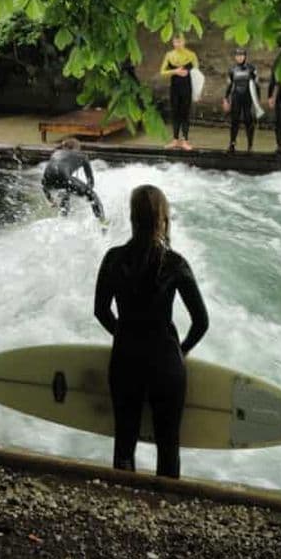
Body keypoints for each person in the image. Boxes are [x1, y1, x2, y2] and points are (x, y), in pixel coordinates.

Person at [94, 185, 209, 478]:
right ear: (163, 219)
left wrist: (123, 334)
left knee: (124, 443)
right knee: (168, 444)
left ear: (132, 218)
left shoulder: (113, 258)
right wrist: (180, 351)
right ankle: (166, 508)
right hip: (165, 363)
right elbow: (201, 322)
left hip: (126, 359)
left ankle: (125, 502)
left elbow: (101, 311)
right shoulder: (174, 262)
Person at [42, 138, 105, 219]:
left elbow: (44, 182)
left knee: (66, 189)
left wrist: (50, 199)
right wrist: (87, 194)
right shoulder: (82, 156)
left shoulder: (56, 153)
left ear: (64, 148)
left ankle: (63, 217)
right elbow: (90, 181)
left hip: (47, 181)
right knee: (93, 196)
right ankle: (103, 224)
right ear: (76, 148)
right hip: (64, 177)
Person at [160, 35, 199, 151]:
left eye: (180, 41)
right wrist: (175, 71)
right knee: (175, 113)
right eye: (176, 42)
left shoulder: (191, 55)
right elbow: (162, 72)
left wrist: (197, 92)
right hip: (175, 88)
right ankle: (175, 140)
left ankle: (185, 141)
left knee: (185, 114)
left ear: (184, 41)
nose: (178, 44)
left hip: (187, 88)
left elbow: (197, 74)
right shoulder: (169, 55)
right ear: (173, 42)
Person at [223, 47, 258, 153]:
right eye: (237, 56)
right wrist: (226, 99)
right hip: (236, 97)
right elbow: (229, 86)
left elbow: (257, 85)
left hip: (248, 98)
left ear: (245, 57)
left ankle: (250, 145)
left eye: (241, 55)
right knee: (234, 121)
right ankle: (232, 143)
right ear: (235, 57)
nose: (239, 57)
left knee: (249, 121)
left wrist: (257, 102)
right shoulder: (232, 69)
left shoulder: (251, 68)